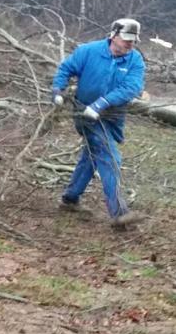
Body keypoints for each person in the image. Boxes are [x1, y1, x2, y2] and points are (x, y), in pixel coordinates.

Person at [51, 18, 146, 228]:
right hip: (85, 114)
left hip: (112, 116)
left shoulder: (135, 60)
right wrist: (58, 89)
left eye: (133, 40)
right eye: (126, 39)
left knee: (91, 156)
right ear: (113, 35)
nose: (130, 44)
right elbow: (66, 68)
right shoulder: (89, 51)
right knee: (109, 157)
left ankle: (70, 198)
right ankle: (119, 214)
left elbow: (131, 88)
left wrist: (101, 104)